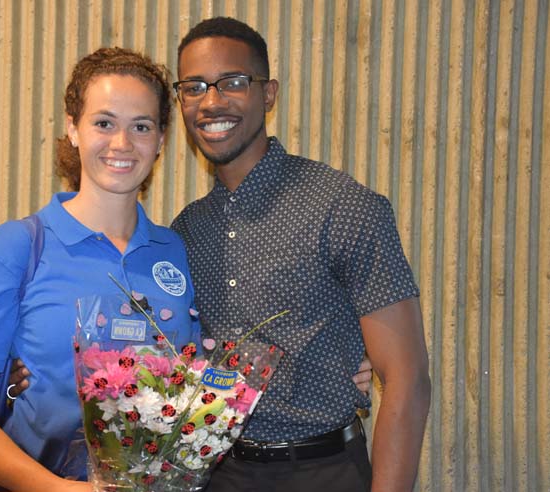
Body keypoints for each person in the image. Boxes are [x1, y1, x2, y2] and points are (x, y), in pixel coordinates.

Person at [168, 17, 431, 492]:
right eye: (194, 87)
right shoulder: (186, 229)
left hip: (323, 470)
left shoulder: (342, 205)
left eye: (232, 82)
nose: (211, 102)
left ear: (267, 94)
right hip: (215, 473)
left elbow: (408, 379)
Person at [0, 47, 201, 491]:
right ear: (73, 129)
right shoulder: (17, 248)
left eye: (141, 126)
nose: (122, 143)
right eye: (103, 123)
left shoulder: (173, 251)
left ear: (161, 141)